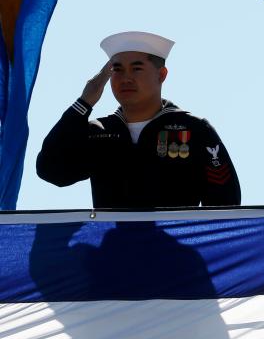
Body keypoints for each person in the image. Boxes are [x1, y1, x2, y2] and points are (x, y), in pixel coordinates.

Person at [36, 31, 240, 207]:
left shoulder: (195, 129)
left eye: (136, 68)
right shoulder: (97, 132)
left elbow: (226, 203)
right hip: (116, 251)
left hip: (173, 251)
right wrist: (84, 103)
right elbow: (51, 170)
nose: (126, 78)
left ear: (161, 75)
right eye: (117, 70)